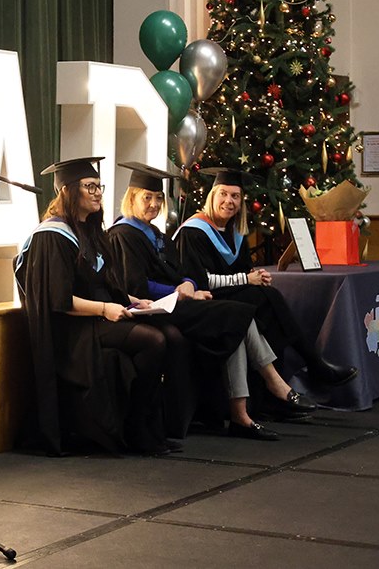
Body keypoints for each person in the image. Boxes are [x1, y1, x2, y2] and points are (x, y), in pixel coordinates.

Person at [108, 162, 316, 440]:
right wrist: (179, 291)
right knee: (236, 315)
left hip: (176, 301)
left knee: (237, 317)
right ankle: (270, 387)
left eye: (158, 198)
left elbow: (185, 273)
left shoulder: (156, 234)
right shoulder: (123, 234)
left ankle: (243, 412)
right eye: (147, 197)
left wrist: (189, 285)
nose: (154, 204)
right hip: (152, 309)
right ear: (131, 198)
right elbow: (134, 286)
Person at [14, 157, 176, 456]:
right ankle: (137, 429)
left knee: (166, 332)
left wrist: (130, 300)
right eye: (89, 186)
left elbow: (100, 280)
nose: (97, 193)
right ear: (67, 191)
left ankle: (144, 426)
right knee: (153, 341)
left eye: (98, 186)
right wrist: (104, 309)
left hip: (97, 320)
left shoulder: (87, 231)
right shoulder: (51, 236)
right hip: (72, 329)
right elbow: (57, 300)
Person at [174, 169, 358, 400]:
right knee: (266, 299)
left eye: (235, 196)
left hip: (227, 296)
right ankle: (312, 366)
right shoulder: (194, 231)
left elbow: (241, 271)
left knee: (267, 300)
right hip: (205, 301)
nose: (229, 202)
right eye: (223, 194)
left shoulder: (234, 233)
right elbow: (199, 281)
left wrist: (254, 275)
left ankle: (275, 394)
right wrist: (246, 279)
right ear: (212, 196)